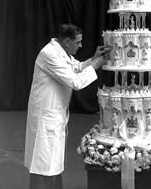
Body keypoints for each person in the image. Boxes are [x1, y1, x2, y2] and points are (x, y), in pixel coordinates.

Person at [24, 23, 110, 189]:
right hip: (45, 117)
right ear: (66, 41)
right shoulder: (48, 54)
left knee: (52, 161)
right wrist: (95, 66)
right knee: (42, 163)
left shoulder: (61, 52)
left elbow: (75, 67)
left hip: (55, 116)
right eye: (77, 42)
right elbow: (75, 81)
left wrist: (92, 59)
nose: (81, 45)